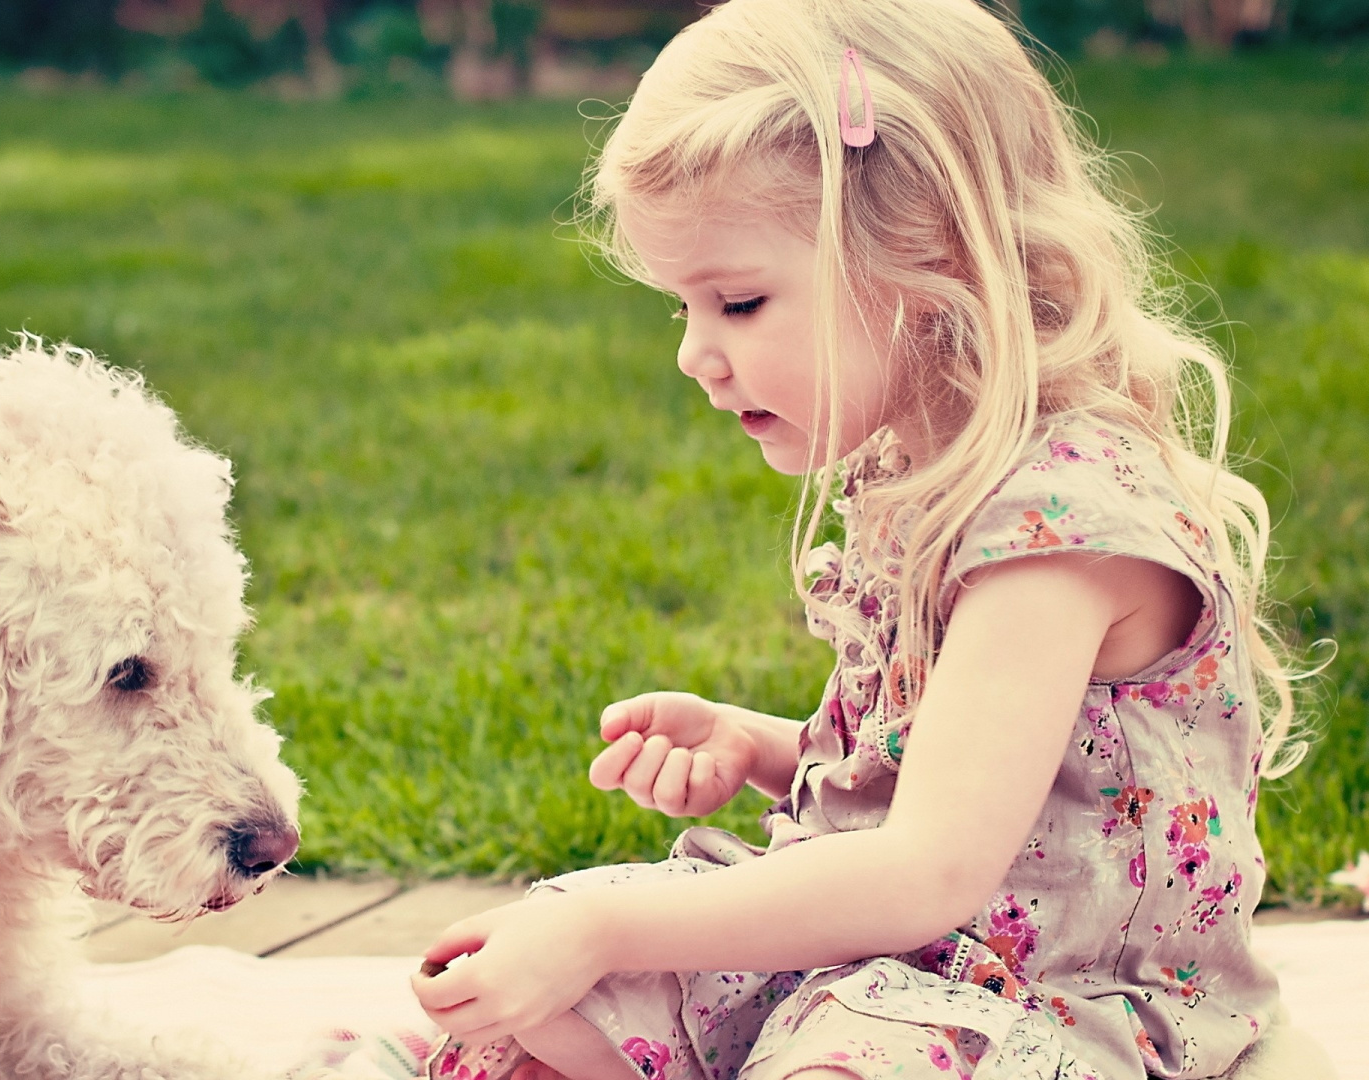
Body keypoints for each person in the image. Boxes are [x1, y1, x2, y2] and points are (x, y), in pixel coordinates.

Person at [407, 0, 1309, 1078]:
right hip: (895, 951)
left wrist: (610, 929)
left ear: (922, 253)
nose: (697, 354)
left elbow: (930, 868)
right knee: (516, 987)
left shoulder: (1061, 530)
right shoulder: (917, 468)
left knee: (686, 979)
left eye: (737, 302)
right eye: (682, 310)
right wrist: (762, 745)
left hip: (1055, 989)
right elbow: (955, 769)